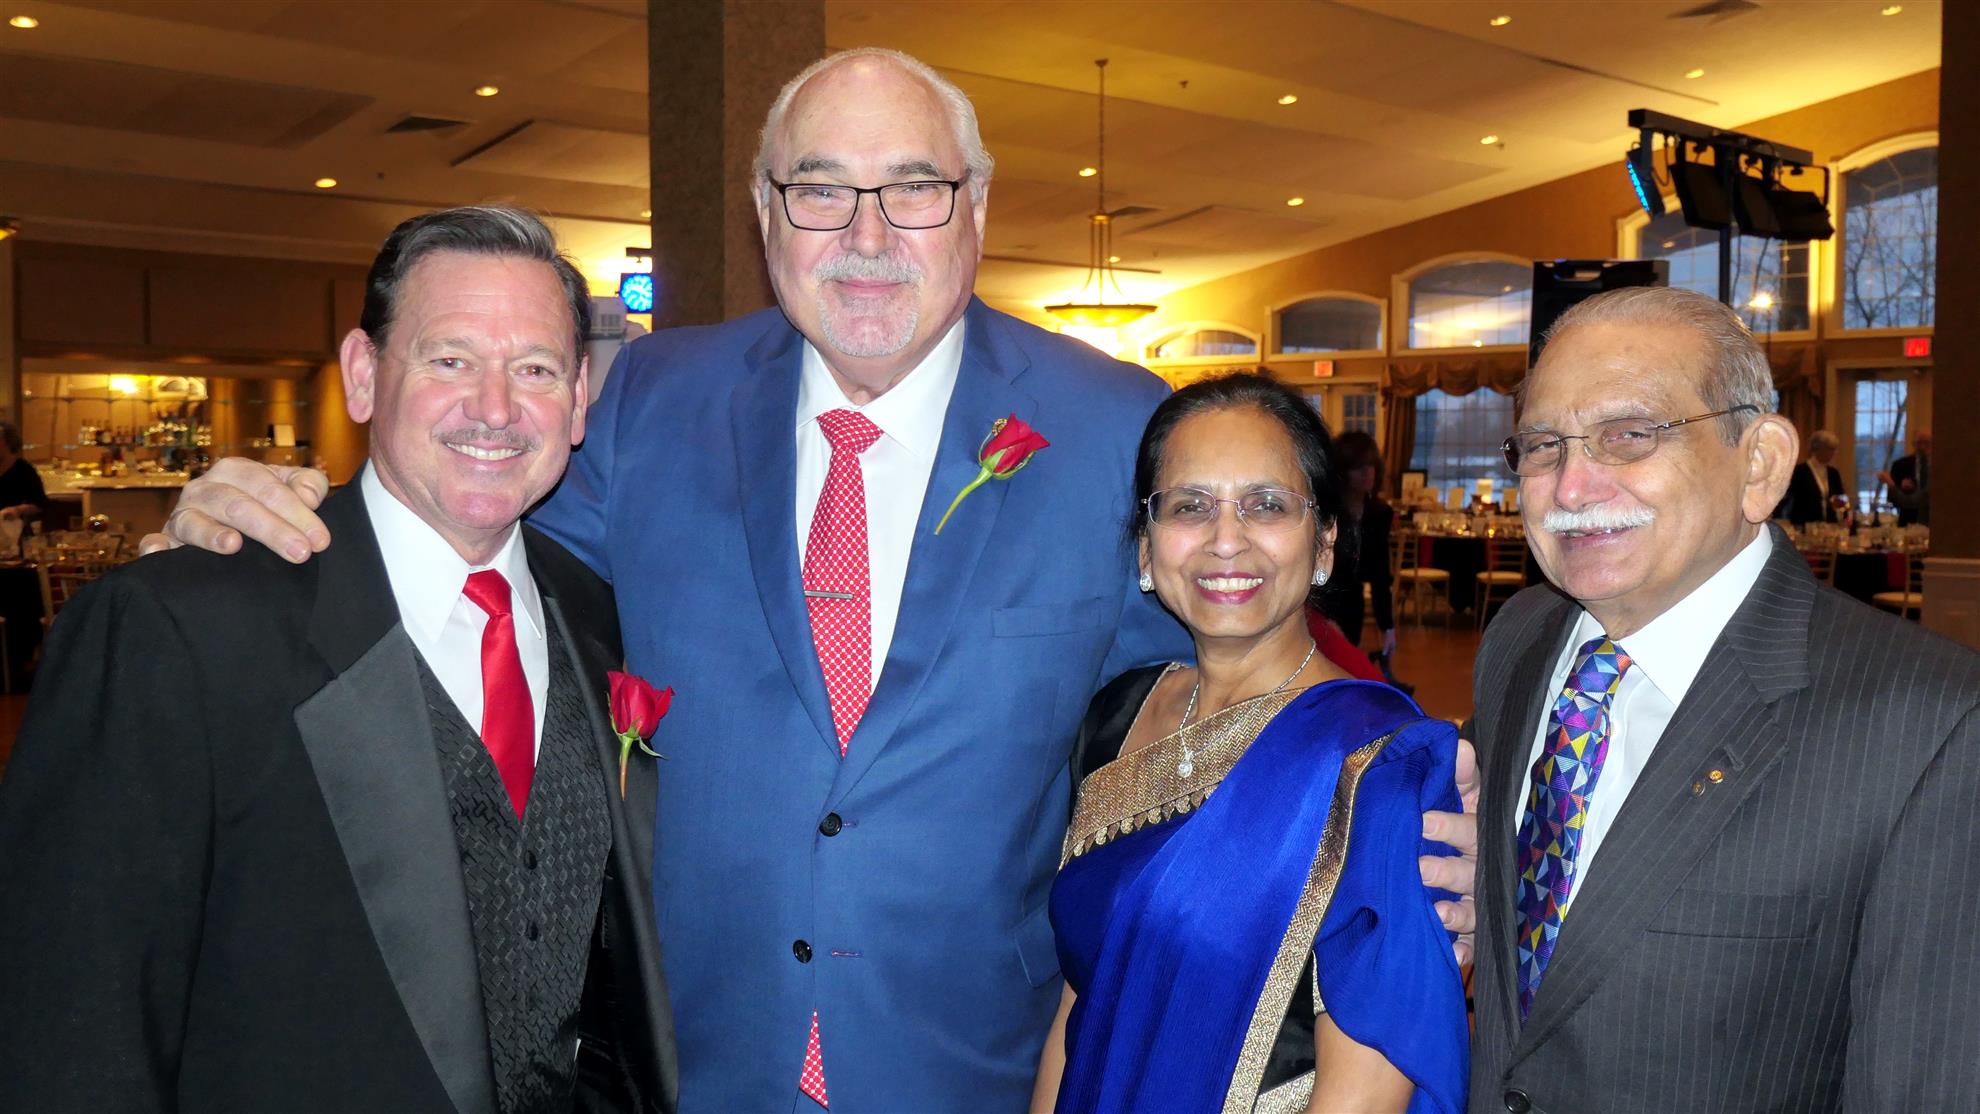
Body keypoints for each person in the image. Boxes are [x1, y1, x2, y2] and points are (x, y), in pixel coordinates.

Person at [145, 49, 1477, 1112]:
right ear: (766, 212)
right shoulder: (646, 401)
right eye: (820, 189)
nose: (867, 234)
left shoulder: (1115, 427)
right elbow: (463, 527)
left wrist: (1407, 802)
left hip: (984, 1067)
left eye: (914, 187)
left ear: (976, 206)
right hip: (692, 1060)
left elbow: (1256, 657)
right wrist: (277, 517)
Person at [0, 206, 678, 1114]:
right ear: (364, 375)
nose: (495, 408)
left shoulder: (598, 614)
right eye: (450, 360)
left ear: (580, 399)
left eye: (536, 369)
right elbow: (73, 1026)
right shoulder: (178, 627)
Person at [1471, 286, 1980, 1113]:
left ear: (1760, 464)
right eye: (1542, 446)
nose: (1569, 487)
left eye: (1630, 435)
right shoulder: (1521, 639)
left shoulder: (1930, 724)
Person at [1034, 375, 1466, 1114]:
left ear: (1324, 542)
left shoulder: (1380, 763)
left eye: (1267, 505)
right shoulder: (1113, 719)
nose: (1226, 539)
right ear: (1146, 548)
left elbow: (1366, 1091)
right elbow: (1080, 1001)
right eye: (1189, 506)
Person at [1318, 429, 1396, 654]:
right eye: (1359, 467)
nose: (1367, 472)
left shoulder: (1379, 513)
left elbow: (1381, 573)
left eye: (1371, 465)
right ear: (1343, 471)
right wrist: (1324, 616)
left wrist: (1387, 626)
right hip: (1323, 600)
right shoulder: (1327, 512)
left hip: (1353, 603)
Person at [1782, 428, 1844, 525]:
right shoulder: (1799, 471)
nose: (1834, 453)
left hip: (1830, 526)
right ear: (1818, 449)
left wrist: (1845, 517)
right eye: (1831, 449)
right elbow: (1789, 499)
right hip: (1805, 525)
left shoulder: (1833, 473)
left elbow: (1841, 501)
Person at [0, 420, 50, 523]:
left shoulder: (24, 470)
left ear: (8, 442)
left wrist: (17, 510)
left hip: (11, 528)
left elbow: (40, 504)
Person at [1880, 428, 1931, 525]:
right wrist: (1901, 488)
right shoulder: (1900, 465)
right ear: (1913, 444)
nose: (1922, 447)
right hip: (1906, 521)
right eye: (1919, 442)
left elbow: (1925, 495)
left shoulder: (1938, 468)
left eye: (1927, 443)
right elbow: (1891, 498)